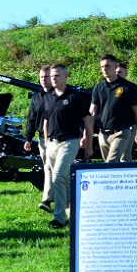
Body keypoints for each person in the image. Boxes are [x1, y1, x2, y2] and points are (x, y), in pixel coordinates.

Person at [42, 64, 94, 229]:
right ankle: (76, 211)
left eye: (57, 76)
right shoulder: (48, 96)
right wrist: (47, 140)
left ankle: (59, 219)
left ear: (65, 77)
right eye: (52, 76)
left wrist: (89, 144)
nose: (53, 78)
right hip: (52, 143)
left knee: (58, 177)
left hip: (69, 142)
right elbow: (46, 120)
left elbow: (87, 121)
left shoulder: (74, 97)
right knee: (63, 180)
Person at [89, 54, 137, 162]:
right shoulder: (98, 88)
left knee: (111, 163)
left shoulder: (129, 88)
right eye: (102, 67)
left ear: (115, 67)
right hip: (103, 134)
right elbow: (92, 113)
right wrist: (87, 135)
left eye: (107, 66)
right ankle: (128, 178)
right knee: (111, 166)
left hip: (121, 132)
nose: (104, 69)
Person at [23, 65, 55, 214]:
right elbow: (31, 119)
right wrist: (28, 139)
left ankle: (47, 199)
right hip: (42, 139)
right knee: (48, 168)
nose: (43, 80)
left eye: (46, 77)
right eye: (41, 77)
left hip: (57, 138)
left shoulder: (59, 95)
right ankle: (51, 198)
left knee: (52, 168)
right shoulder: (36, 97)